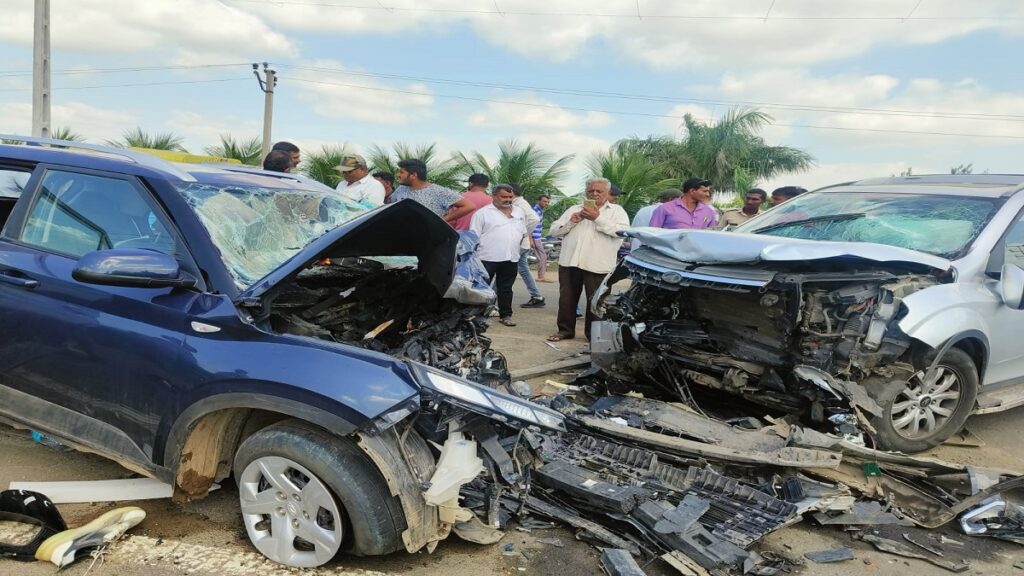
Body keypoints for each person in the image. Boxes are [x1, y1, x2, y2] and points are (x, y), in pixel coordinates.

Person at [547, 178, 629, 342]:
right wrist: (572, 221)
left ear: (607, 193)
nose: (595, 193)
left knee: (597, 301)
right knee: (567, 299)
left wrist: (597, 218)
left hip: (599, 264)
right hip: (570, 262)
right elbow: (554, 231)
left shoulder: (616, 211)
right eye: (591, 191)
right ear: (586, 192)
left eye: (599, 191)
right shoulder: (574, 209)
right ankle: (565, 330)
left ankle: (594, 335)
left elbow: (622, 232)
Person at [470, 184, 527, 327]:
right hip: (486, 257)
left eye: (510, 197)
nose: (508, 200)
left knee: (506, 288)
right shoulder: (482, 214)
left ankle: (506, 315)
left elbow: (522, 233)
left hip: (511, 257)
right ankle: (476, 316)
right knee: (481, 288)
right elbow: (473, 237)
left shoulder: (519, 212)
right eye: (504, 197)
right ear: (494, 196)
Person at [390, 158, 475, 223]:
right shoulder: (401, 189)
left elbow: (469, 206)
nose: (397, 175)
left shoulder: (438, 191)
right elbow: (390, 203)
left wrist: (441, 221)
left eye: (401, 172)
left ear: (413, 175)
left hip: (428, 238)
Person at [504, 184, 544, 308]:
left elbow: (534, 219)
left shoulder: (520, 204)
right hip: (522, 244)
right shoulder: (518, 203)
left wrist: (523, 233)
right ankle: (537, 296)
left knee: (503, 270)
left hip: (519, 244)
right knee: (523, 270)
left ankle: (491, 298)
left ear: (512, 193)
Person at [649, 178, 717, 230]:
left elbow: (711, 236)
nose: (708, 194)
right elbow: (652, 233)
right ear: (692, 191)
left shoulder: (709, 212)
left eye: (708, 191)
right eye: (705, 191)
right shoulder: (664, 209)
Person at [531, 194, 552, 282]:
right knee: (542, 256)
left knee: (541, 257)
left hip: (537, 237)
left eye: (547, 202)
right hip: (535, 237)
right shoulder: (535, 211)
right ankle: (541, 276)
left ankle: (541, 275)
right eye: (544, 201)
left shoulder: (539, 210)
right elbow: (530, 224)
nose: (546, 203)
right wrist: (531, 239)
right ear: (538, 201)